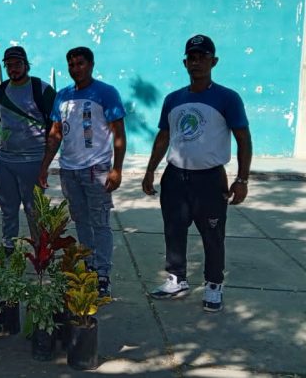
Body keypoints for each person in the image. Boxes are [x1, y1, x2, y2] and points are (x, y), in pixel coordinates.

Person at [143, 35, 252, 313]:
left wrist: (242, 179)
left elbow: (243, 139)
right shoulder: (173, 99)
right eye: (192, 57)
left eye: (203, 56)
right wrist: (150, 170)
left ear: (213, 61)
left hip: (210, 180)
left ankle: (214, 285)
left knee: (212, 235)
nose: (197, 62)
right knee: (174, 230)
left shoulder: (227, 98)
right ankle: (176, 278)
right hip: (176, 178)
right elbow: (163, 136)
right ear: (185, 62)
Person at [39, 47, 126, 298]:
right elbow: (55, 133)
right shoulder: (62, 96)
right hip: (69, 171)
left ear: (91, 64)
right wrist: (45, 165)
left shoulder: (106, 93)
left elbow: (118, 134)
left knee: (100, 223)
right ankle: (87, 266)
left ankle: (102, 275)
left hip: (96, 170)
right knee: (81, 222)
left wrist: (116, 169)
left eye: (80, 63)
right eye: (71, 64)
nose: (76, 68)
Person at [0, 46, 56, 255]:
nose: (13, 69)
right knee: (7, 206)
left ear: (26, 65)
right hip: (4, 160)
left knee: (34, 208)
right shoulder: (0, 91)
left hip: (33, 160)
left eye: (17, 64)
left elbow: (55, 124)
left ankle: (39, 245)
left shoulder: (41, 89)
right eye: (9, 65)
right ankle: (9, 242)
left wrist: (45, 160)